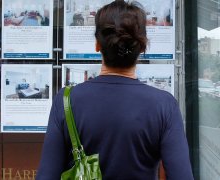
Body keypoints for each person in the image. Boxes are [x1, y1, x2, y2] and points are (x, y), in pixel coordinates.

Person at [36, 0, 194, 179]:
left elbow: (46, 176)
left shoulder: (66, 100)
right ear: (142, 47)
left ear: (97, 45)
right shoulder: (164, 105)